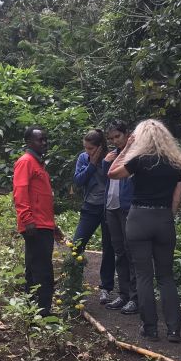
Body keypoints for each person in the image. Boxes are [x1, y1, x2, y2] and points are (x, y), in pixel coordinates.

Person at [107, 119, 181, 342]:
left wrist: (126, 148)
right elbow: (176, 199)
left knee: (144, 275)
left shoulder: (139, 161)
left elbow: (112, 173)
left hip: (138, 219)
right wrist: (166, 218)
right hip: (164, 219)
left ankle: (150, 328)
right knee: (166, 276)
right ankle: (174, 330)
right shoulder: (176, 164)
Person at [13, 126, 64, 315]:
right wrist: (27, 219)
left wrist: (53, 225)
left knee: (35, 269)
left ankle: (34, 311)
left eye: (45, 139)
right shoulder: (26, 162)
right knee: (42, 271)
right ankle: (42, 313)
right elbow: (20, 191)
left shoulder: (38, 164)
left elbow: (42, 198)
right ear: (28, 142)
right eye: (39, 139)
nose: (44, 143)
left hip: (43, 224)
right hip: (34, 225)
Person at [72, 129, 116, 302]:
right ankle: (73, 283)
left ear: (100, 147)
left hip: (108, 208)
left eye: (91, 148)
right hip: (90, 206)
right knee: (77, 244)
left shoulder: (111, 158)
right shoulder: (83, 158)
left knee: (108, 247)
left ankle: (106, 287)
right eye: (85, 147)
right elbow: (78, 180)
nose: (87, 151)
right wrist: (91, 164)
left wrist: (104, 162)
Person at [101, 121, 138, 315]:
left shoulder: (135, 154)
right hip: (111, 207)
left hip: (127, 208)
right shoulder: (112, 155)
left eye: (118, 136)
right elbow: (105, 178)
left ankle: (135, 297)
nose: (115, 141)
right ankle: (123, 294)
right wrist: (106, 163)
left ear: (127, 134)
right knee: (119, 252)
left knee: (131, 252)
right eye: (112, 138)